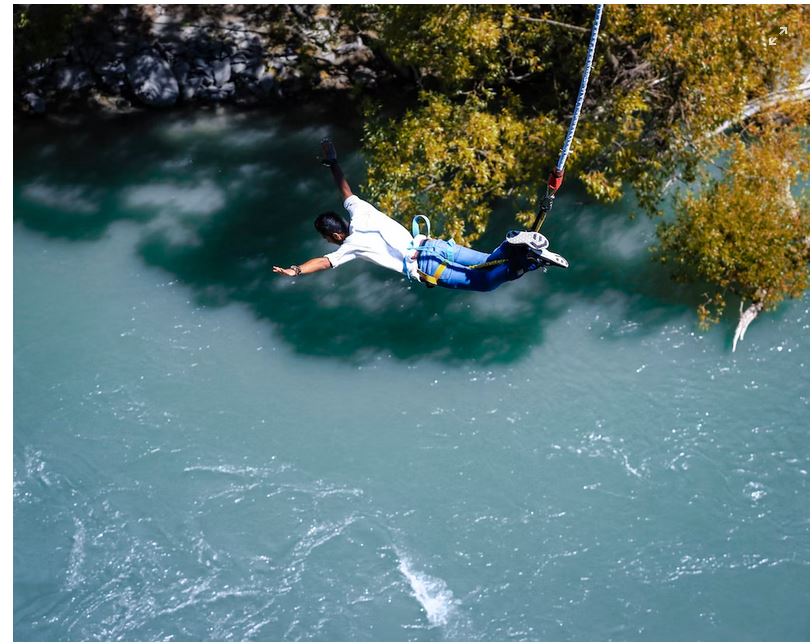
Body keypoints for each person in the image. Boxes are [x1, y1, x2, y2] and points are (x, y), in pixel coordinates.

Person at [272, 139, 568, 291]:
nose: (330, 243)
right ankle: (521, 249)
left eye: (328, 238)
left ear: (335, 235)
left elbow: (323, 263)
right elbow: (344, 190)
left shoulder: (350, 247)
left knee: (485, 282)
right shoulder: (359, 210)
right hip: (431, 245)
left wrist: (296, 270)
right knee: (488, 262)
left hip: (426, 266)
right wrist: (332, 161)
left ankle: (526, 257)